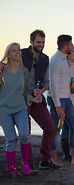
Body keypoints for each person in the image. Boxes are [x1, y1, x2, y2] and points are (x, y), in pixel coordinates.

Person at [21, 30, 60, 171]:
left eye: (43, 42)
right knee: (26, 132)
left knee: (50, 127)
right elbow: (7, 65)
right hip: (21, 97)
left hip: (37, 98)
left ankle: (45, 161)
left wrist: (40, 93)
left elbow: (46, 82)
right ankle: (28, 163)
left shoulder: (45, 59)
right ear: (31, 42)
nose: (41, 45)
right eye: (38, 42)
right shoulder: (21, 54)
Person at [47, 34, 74, 165]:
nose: (73, 47)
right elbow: (53, 85)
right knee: (55, 129)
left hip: (67, 99)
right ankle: (53, 157)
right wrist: (58, 106)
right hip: (57, 100)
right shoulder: (55, 61)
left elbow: (73, 63)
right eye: (71, 45)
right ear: (65, 47)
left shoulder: (64, 58)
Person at [0, 42, 37, 176]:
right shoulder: (1, 70)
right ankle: (11, 168)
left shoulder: (24, 72)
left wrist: (31, 99)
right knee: (11, 140)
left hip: (20, 107)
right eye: (14, 51)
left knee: (24, 135)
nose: (18, 53)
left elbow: (26, 92)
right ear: (8, 55)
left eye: (19, 50)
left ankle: (25, 164)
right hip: (4, 110)